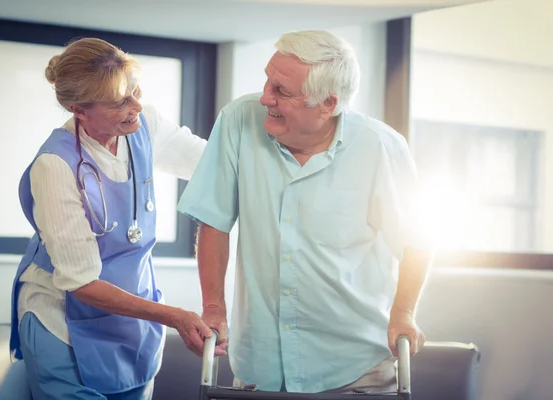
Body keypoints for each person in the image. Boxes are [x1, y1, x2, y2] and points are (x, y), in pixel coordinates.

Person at [177, 30, 432, 394]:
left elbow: (416, 241)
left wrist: (403, 313)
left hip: (354, 367)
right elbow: (213, 219)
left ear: (328, 103)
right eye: (268, 80)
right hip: (259, 366)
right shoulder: (238, 121)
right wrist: (213, 305)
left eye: (282, 91)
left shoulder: (380, 146)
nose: (266, 97)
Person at [9, 38, 225, 400]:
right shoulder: (56, 166)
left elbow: (213, 164)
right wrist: (173, 315)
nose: (136, 106)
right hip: (62, 321)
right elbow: (80, 282)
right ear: (79, 109)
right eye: (120, 102)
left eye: (135, 91)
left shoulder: (143, 124)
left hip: (134, 320)